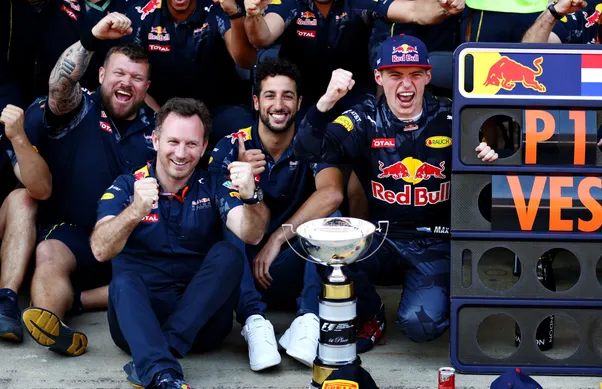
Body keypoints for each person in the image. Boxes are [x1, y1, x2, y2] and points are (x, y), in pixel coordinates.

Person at [294, 35, 498, 352]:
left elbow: (498, 157)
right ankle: (371, 313)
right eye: (395, 75)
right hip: (382, 238)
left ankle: (438, 292)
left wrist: (488, 155)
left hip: (436, 242)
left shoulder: (453, 116)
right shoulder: (362, 118)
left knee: (421, 326)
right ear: (379, 77)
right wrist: (326, 102)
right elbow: (306, 150)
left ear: (428, 76)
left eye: (415, 74)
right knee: (328, 246)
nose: (406, 85)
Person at [90, 97, 267, 389]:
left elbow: (251, 233)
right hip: (138, 324)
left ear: (204, 146)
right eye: (173, 141)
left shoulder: (215, 183)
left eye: (191, 144)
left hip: (201, 325)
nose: (181, 153)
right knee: (123, 281)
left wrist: (252, 197)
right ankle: (167, 377)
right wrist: (135, 211)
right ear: (156, 140)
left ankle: (158, 359)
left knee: (229, 254)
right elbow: (100, 249)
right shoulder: (127, 185)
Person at [20, 13, 156, 356]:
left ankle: (78, 301)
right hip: (75, 234)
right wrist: (91, 38)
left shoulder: (159, 130)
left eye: (137, 77)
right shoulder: (79, 108)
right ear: (100, 75)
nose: (126, 83)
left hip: (130, 241)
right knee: (48, 252)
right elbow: (59, 87)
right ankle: (51, 323)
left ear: (147, 87)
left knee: (165, 275)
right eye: (119, 73)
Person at [209, 59, 344, 370]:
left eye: (287, 96)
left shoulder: (314, 140)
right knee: (227, 222)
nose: (279, 105)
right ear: (256, 102)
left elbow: (332, 193)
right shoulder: (231, 146)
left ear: (299, 102)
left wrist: (277, 239)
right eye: (270, 95)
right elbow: (222, 214)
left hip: (294, 263)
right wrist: (245, 180)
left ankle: (309, 320)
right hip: (243, 271)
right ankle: (254, 322)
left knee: (332, 218)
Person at [242, 0, 465, 114]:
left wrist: (444, 7)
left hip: (353, 95)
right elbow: (263, 37)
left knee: (359, 158)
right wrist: (254, 15)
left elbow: (414, 11)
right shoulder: (291, 2)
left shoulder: (359, 1)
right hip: (300, 97)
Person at [124, 0, 257, 144]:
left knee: (249, 135)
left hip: (218, 111)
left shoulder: (217, 7)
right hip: (159, 111)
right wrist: (161, 116)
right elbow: (131, 79)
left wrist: (234, 14)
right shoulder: (141, 13)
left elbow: (247, 61)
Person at [0, 105, 52, 341]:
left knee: (24, 199)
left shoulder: (7, 122)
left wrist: (18, 137)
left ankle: (6, 301)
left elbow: (41, 189)